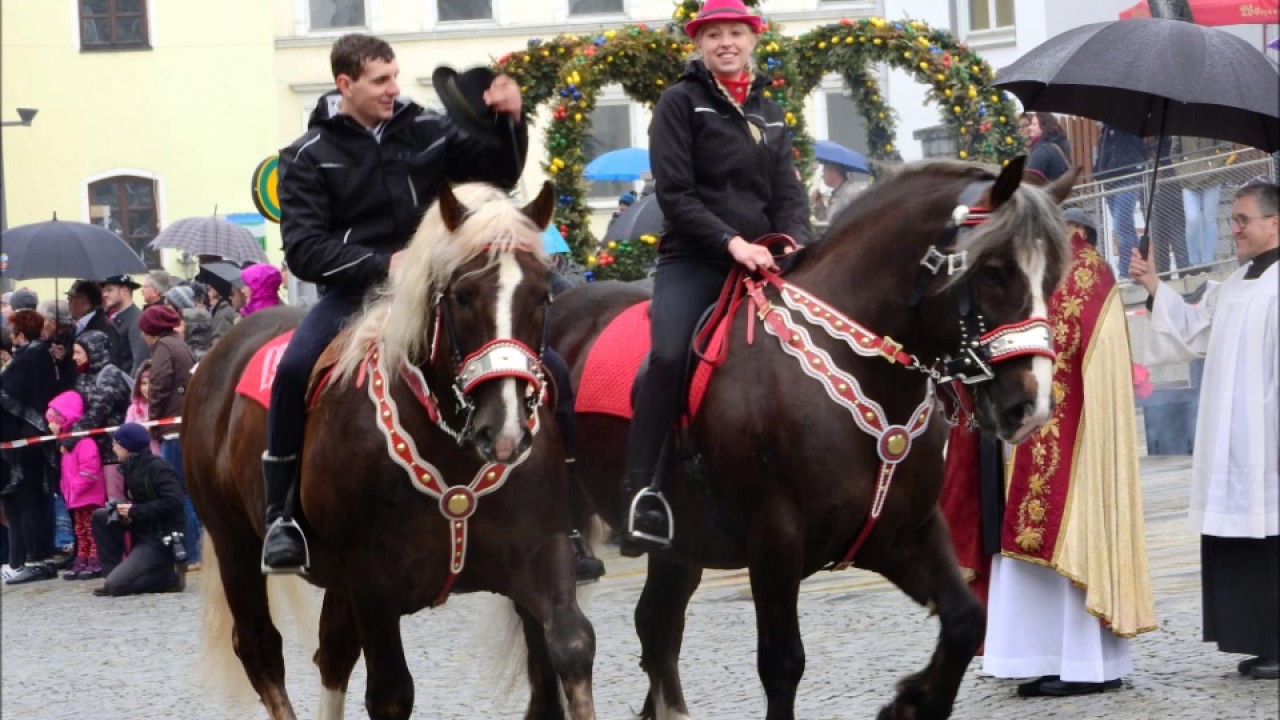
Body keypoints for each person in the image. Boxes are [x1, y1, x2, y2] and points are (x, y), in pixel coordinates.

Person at [260, 33, 528, 572]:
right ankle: (282, 516)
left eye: (394, 77)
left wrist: (509, 122)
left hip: (438, 288)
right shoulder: (306, 156)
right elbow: (306, 250)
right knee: (292, 370)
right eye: (380, 81)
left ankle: (557, 506)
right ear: (345, 84)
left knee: (538, 352)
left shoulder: (428, 126)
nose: (393, 90)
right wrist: (383, 264)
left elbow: (497, 172)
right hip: (356, 294)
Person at [942, 207, 1157, 697]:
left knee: (1063, 542)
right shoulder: (1054, 267)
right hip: (1029, 433)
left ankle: (1082, 664)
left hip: (1068, 438)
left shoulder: (1082, 272)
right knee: (1025, 551)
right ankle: (1047, 655)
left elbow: (1059, 350)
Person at [621, 0, 811, 554]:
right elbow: (675, 195)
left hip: (766, 259)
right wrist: (734, 244)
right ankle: (641, 490)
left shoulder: (769, 110)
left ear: (753, 39)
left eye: (735, 33)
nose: (726, 42)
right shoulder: (680, 103)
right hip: (696, 259)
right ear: (699, 43)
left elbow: (788, 193)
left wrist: (792, 240)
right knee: (668, 355)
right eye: (714, 35)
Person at [1129, 180, 1279, 680]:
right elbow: (1192, 330)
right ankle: (1256, 638)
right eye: (1233, 218)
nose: (1232, 228)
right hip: (1231, 439)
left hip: (1268, 440)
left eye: (1242, 219)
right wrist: (1153, 284)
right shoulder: (1236, 284)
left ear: (1275, 223)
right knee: (1240, 538)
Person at [90, 423, 185, 597]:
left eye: (116, 444)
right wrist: (125, 511)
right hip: (142, 529)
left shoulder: (157, 467)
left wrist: (135, 511)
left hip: (160, 537)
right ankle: (111, 573)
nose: (113, 448)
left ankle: (168, 578)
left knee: (117, 587)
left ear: (126, 447)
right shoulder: (130, 466)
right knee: (101, 516)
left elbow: (174, 502)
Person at [0, 310, 60, 584]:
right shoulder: (42, 355)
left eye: (13, 333)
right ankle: (37, 557)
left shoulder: (26, 360)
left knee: (25, 502)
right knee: (34, 500)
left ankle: (32, 559)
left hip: (22, 440)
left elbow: (8, 397)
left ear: (21, 335)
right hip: (33, 438)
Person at [138, 304, 200, 565]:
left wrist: (152, 421)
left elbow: (159, 385)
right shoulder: (180, 344)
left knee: (177, 492)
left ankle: (192, 552)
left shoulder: (164, 347)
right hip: (184, 426)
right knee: (188, 491)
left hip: (173, 430)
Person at [62, 330, 132, 512]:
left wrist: (69, 438)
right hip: (93, 454)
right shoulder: (84, 376)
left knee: (115, 504)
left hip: (112, 454)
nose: (74, 357)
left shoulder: (110, 376)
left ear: (92, 352)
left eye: (78, 352)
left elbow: (96, 413)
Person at [45, 390, 105, 580]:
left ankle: (96, 558)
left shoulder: (84, 443)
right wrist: (66, 489)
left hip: (88, 497)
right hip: (76, 498)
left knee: (90, 529)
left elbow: (89, 471)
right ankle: (83, 557)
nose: (49, 425)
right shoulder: (66, 445)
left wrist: (76, 488)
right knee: (80, 530)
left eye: (52, 420)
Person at [1093, 123, 1148, 276]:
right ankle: (1137, 267)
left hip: (1128, 176)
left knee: (1121, 226)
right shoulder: (1105, 131)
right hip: (1110, 179)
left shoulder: (1125, 125)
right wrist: (1099, 171)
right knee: (1125, 227)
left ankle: (1126, 272)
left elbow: (1137, 148)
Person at [1174, 136, 1227, 270]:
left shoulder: (1214, 120)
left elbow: (1226, 147)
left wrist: (1212, 166)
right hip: (1188, 179)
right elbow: (1174, 152)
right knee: (1192, 219)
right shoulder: (1180, 122)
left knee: (1209, 219)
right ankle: (1194, 263)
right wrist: (1182, 171)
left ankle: (1207, 262)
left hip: (1212, 178)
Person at [102, 274, 147, 374]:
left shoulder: (137, 319)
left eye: (109, 290)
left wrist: (131, 386)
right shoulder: (116, 318)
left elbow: (140, 360)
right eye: (104, 291)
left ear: (124, 291)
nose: (104, 294)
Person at [1021, 112, 1071, 182]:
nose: (1030, 127)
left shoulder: (1041, 150)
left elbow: (1030, 181)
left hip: (1046, 191)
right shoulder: (1059, 142)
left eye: (1034, 124)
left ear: (1044, 127)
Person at [204, 274, 240, 347]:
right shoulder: (225, 307)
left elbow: (218, 342)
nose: (208, 294)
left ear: (218, 289)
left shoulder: (223, 311)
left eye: (210, 289)